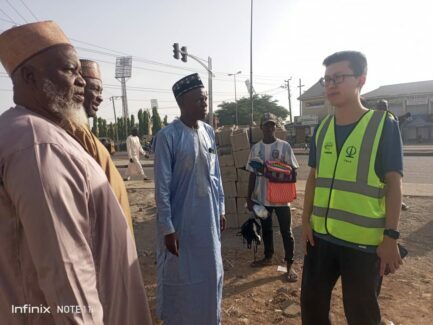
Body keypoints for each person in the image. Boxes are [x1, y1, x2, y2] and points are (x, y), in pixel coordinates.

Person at [0, 21, 152, 324]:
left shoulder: (35, 133)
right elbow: (65, 273)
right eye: (71, 71)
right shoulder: (38, 144)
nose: (81, 82)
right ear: (29, 77)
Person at [301, 51, 404, 325]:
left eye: (338, 77)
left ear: (361, 80)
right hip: (321, 239)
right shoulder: (322, 128)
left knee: (362, 316)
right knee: (311, 310)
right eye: (326, 79)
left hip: (363, 244)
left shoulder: (382, 125)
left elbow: (394, 183)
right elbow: (314, 177)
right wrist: (305, 219)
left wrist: (390, 237)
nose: (331, 84)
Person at [154, 73, 225, 325]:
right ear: (182, 101)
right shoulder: (167, 136)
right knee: (182, 277)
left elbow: (216, 174)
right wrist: (167, 228)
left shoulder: (208, 132)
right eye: (199, 99)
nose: (205, 104)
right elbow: (161, 187)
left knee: (211, 271)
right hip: (181, 224)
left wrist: (222, 208)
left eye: (205, 99)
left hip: (208, 223)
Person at [59, 58, 134, 235]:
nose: (100, 97)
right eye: (95, 89)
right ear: (77, 86)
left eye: (101, 90)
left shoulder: (82, 130)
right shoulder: (74, 131)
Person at [246, 112, 299, 282]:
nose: (269, 128)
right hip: (262, 198)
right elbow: (252, 174)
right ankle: (268, 256)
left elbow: (294, 171)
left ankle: (289, 264)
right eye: (266, 125)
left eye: (272, 125)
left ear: (276, 127)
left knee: (286, 231)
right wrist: (249, 198)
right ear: (261, 127)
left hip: (282, 198)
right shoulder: (256, 149)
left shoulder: (284, 146)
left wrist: (273, 170)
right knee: (266, 228)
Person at [376, 99, 409, 211]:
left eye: (383, 106)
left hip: (391, 150)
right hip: (376, 152)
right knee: (378, 179)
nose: (382, 108)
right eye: (380, 106)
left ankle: (397, 201)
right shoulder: (371, 118)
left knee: (394, 178)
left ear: (387, 107)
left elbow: (399, 121)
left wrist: (405, 116)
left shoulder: (390, 117)